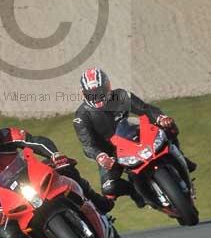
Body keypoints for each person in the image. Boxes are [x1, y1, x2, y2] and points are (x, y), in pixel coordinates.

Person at [0, 113, 114, 238]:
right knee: (6, 236)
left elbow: (35, 142)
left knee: (66, 168)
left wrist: (54, 155)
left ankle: (98, 203)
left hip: (31, 175)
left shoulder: (7, 135)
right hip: (10, 199)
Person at [73, 67, 196, 207]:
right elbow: (88, 145)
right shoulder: (81, 117)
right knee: (109, 188)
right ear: (84, 94)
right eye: (92, 93)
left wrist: (160, 118)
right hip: (110, 154)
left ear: (108, 86)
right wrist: (101, 157)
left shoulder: (121, 95)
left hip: (132, 136)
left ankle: (181, 157)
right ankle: (135, 192)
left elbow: (144, 109)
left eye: (100, 91)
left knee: (167, 126)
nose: (97, 96)